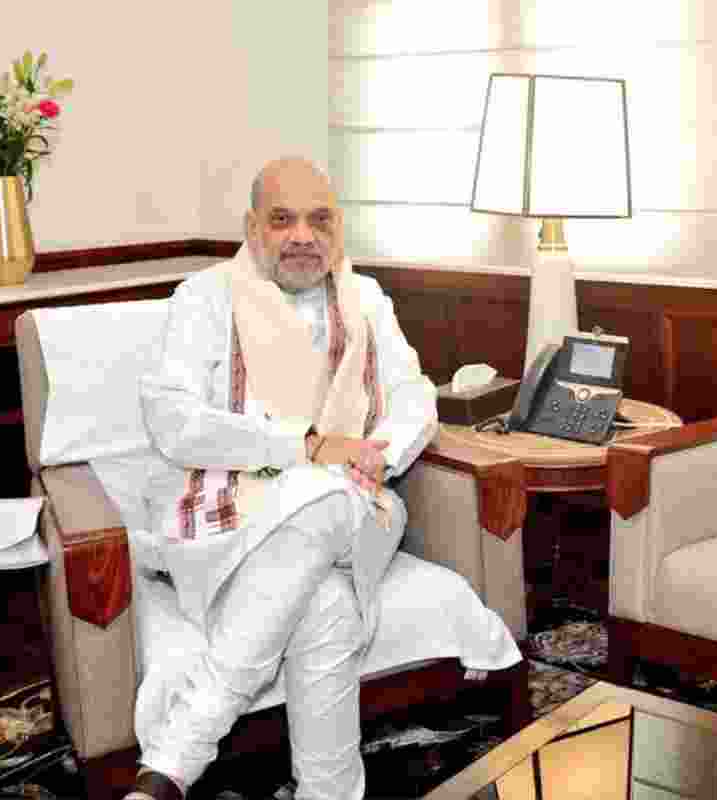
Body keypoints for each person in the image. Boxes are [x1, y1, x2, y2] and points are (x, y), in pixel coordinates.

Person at [126, 157, 520, 800]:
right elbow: (172, 422)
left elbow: (413, 394)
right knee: (326, 605)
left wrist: (377, 454)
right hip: (231, 511)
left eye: (319, 219)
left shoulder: (365, 299)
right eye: (282, 219)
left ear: (339, 228)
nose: (302, 235)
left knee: (328, 493)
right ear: (254, 227)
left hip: (355, 502)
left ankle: (176, 755)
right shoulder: (203, 298)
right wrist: (307, 446)